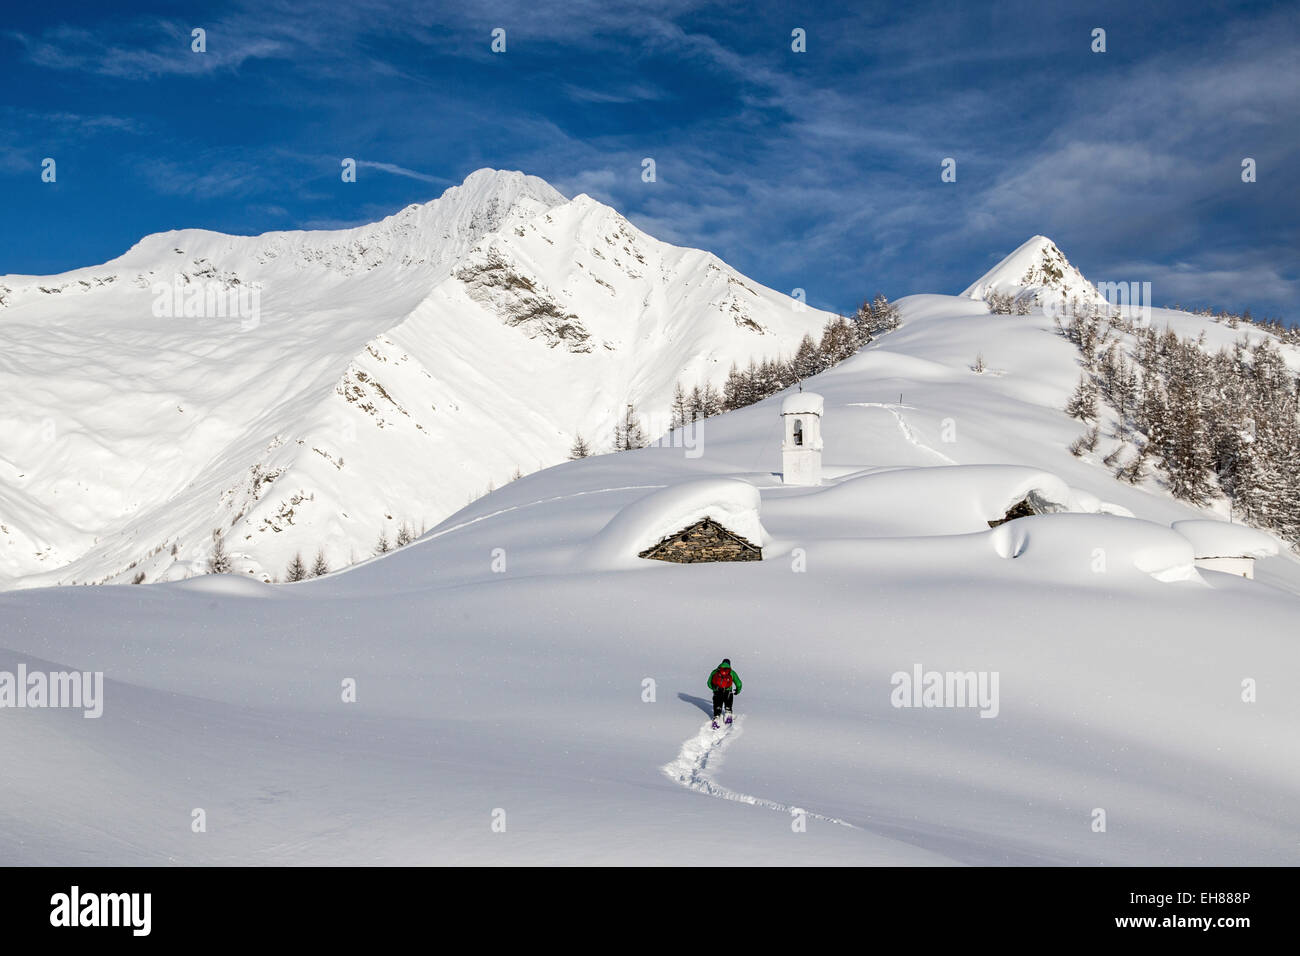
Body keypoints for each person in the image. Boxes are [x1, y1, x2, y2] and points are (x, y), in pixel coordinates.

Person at [706, 658, 742, 728]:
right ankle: (728, 716)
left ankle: (716, 719)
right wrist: (737, 691)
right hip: (728, 692)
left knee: (717, 706)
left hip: (717, 692)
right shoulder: (731, 672)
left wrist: (714, 689)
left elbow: (708, 683)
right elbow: (739, 683)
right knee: (728, 706)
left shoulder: (715, 671)